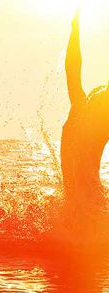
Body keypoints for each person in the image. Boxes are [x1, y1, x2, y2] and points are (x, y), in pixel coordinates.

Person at [61, 10, 109, 211]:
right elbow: (72, 67)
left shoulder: (81, 108)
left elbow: (72, 67)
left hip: (86, 196)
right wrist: (74, 32)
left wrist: (74, 31)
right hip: (88, 196)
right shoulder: (81, 107)